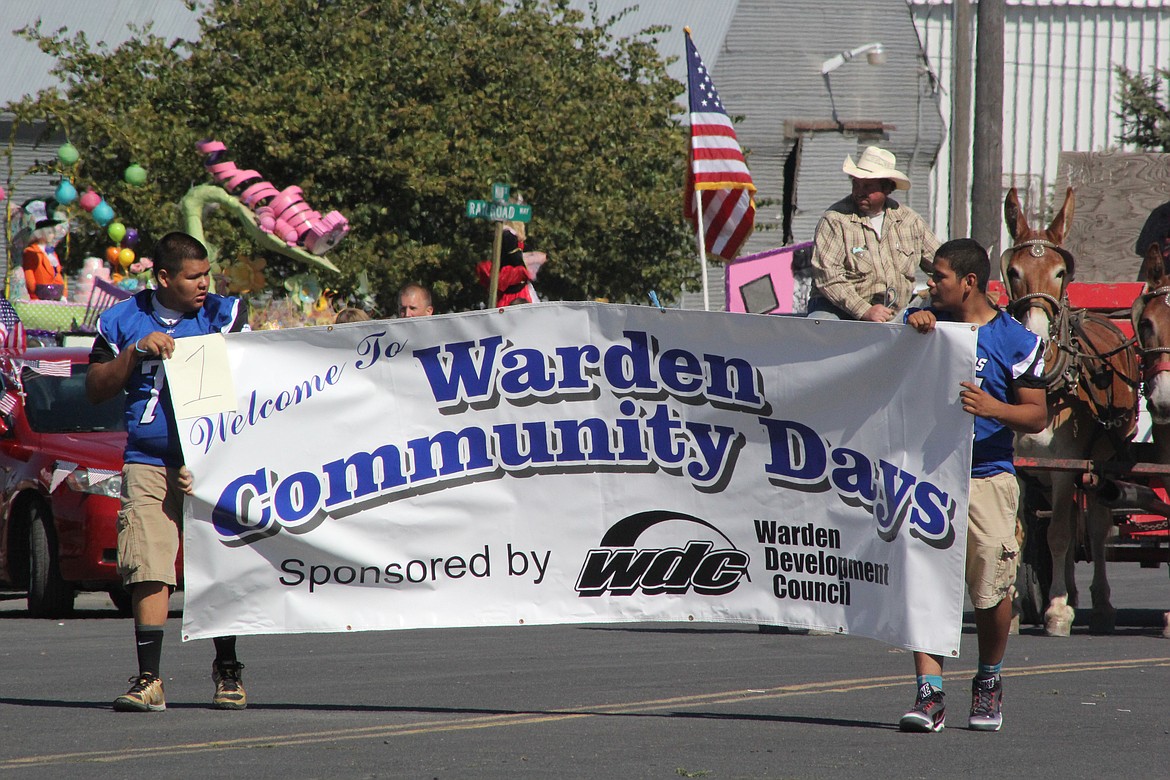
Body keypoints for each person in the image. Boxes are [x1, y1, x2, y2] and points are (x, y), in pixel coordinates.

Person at [85, 231, 250, 713]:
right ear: (163, 277)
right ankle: (150, 679)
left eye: (207, 275)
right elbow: (95, 387)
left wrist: (212, 459)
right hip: (148, 459)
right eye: (193, 277)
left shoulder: (223, 313)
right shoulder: (122, 318)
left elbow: (252, 380)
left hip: (211, 460)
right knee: (148, 564)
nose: (205, 285)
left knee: (216, 565)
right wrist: (134, 352)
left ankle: (227, 668)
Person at [900, 238, 1048, 733]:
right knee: (923, 581)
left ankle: (988, 680)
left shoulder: (1016, 340)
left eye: (939, 277)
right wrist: (911, 325)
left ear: (968, 283)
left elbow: (1036, 414)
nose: (930, 284)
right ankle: (930, 693)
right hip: (927, 475)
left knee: (991, 589)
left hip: (987, 476)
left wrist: (994, 409)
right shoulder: (926, 323)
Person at [807, 146, 939, 322]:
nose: (859, 192)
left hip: (895, 312)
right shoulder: (835, 220)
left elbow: (942, 263)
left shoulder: (910, 221)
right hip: (837, 309)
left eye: (868, 186)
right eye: (856, 184)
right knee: (822, 325)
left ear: (887, 188)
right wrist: (864, 310)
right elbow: (827, 276)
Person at [21, 200, 68, 301]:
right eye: (50, 232)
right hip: (39, 297)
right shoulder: (31, 252)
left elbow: (58, 274)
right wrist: (33, 294)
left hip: (55, 296)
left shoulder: (52, 253)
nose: (53, 235)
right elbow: (29, 275)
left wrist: (64, 294)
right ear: (41, 233)